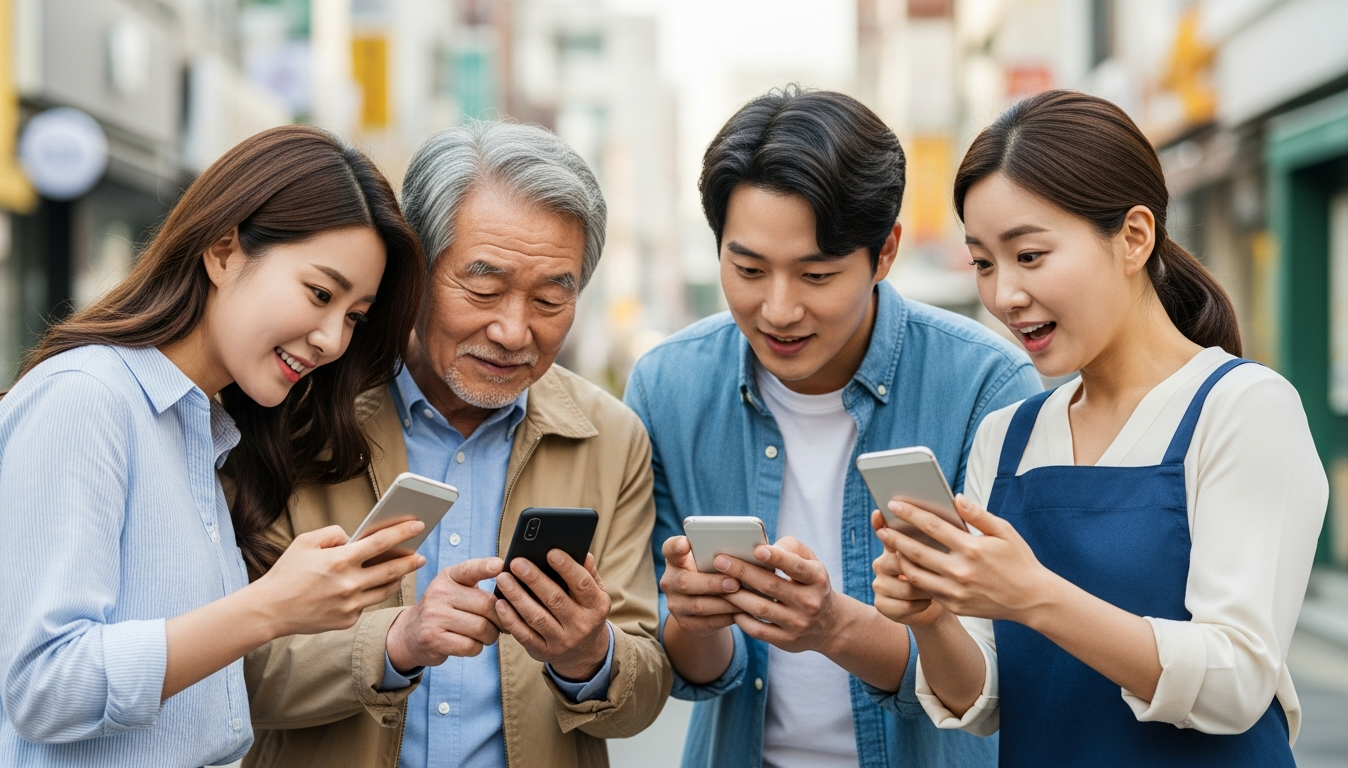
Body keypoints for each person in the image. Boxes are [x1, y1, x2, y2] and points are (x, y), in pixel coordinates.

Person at [0, 126, 427, 767]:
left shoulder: (203, 432)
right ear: (224, 251)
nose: (333, 340)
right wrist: (270, 608)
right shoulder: (87, 400)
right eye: (319, 293)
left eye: (355, 316)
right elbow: (47, 686)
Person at [870, 90, 1327, 767]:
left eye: (1030, 255)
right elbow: (986, 700)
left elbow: (1238, 680)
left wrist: (1033, 596)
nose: (1004, 296)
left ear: (1134, 237)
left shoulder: (1244, 408)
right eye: (985, 263)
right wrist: (934, 616)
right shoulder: (1006, 437)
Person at [625, 86, 1038, 768]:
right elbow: (692, 672)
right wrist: (696, 623)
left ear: (884, 254)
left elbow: (993, 676)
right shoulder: (669, 386)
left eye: (816, 274)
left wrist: (832, 627)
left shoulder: (986, 386)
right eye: (748, 269)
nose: (778, 309)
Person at [240, 120, 671, 768]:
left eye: (552, 298)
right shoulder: (297, 413)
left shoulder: (611, 440)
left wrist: (592, 656)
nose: (512, 330)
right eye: (484, 288)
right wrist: (396, 641)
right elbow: (233, 674)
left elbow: (644, 685)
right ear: (412, 269)